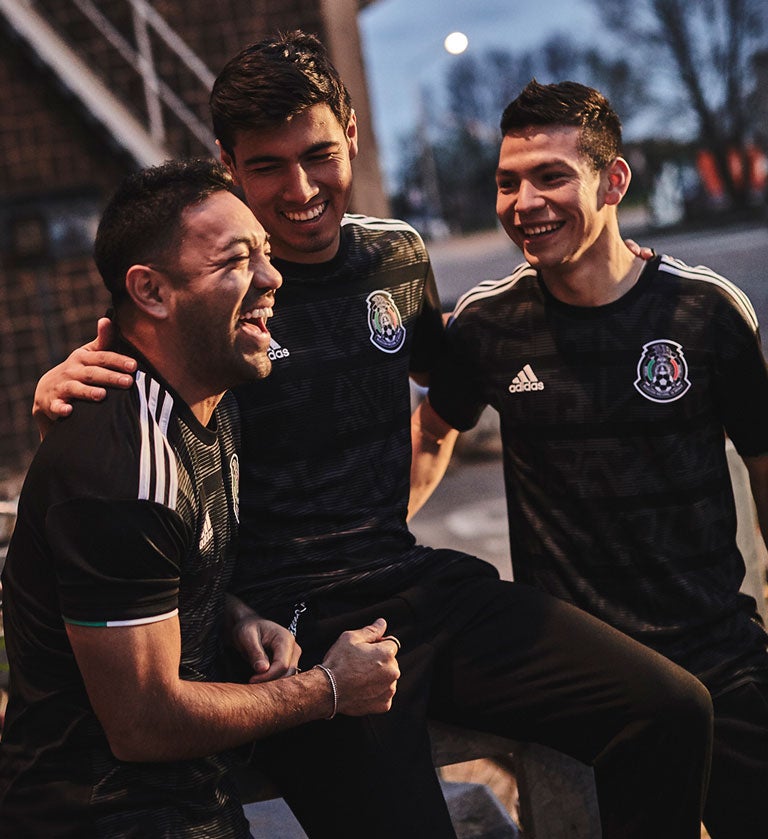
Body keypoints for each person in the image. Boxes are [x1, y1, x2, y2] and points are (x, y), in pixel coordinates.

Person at [32, 34, 714, 839]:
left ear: (352, 135)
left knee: (669, 707)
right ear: (226, 163)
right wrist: (58, 385)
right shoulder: (209, 296)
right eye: (266, 166)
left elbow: (451, 374)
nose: (300, 189)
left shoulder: (398, 254)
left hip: (410, 580)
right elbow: (127, 396)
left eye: (319, 154)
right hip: (287, 626)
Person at [0, 158, 400, 838]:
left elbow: (171, 568)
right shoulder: (121, 466)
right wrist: (328, 689)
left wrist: (232, 616)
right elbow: (142, 723)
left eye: (265, 256)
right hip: (104, 817)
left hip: (189, 795)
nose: (273, 280)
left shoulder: (214, 398)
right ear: (151, 291)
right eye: (236, 261)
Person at [410, 80, 768, 839]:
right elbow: (434, 430)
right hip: (583, 672)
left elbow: (766, 464)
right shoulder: (487, 324)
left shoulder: (706, 312)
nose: (523, 201)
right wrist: (377, 534)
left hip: (718, 649)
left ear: (612, 181)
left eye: (550, 175)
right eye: (508, 181)